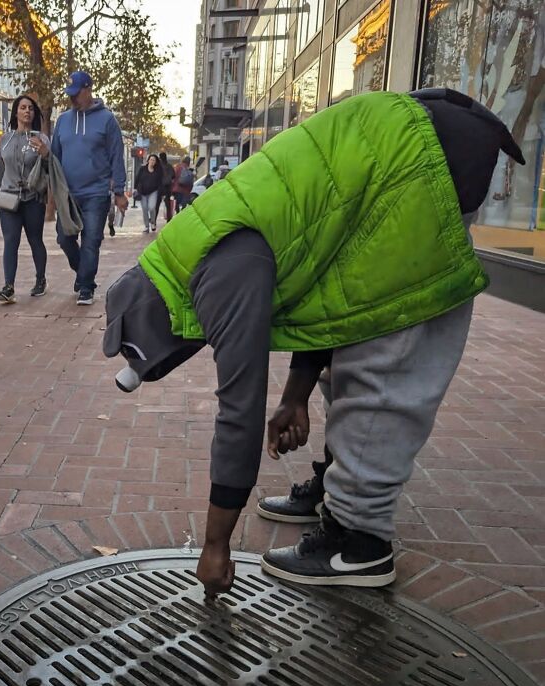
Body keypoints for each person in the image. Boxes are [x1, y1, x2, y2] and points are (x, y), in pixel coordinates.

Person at [102, 89, 525, 596]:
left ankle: (359, 540)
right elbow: (328, 292)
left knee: (382, 354)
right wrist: (295, 396)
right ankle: (338, 488)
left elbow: (238, 410)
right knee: (355, 324)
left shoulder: (219, 272)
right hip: (397, 152)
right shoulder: (189, 248)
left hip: (418, 166)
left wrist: (216, 545)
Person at [51, 70, 128, 306]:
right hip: (68, 195)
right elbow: (55, 156)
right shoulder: (63, 120)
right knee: (64, 239)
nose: (72, 99)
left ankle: (86, 286)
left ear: (88, 89)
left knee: (91, 240)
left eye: (76, 93)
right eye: (69, 94)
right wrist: (52, 192)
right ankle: (83, 272)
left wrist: (119, 192)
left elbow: (117, 156)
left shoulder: (107, 119)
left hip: (96, 192)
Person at [0, 94, 51, 304]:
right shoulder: (5, 139)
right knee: (10, 241)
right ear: (16, 112)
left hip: (33, 198)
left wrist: (44, 153)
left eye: (31, 108)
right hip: (8, 198)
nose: (27, 111)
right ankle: (9, 286)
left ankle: (40, 279)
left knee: (35, 240)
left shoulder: (41, 139)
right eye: (23, 108)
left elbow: (51, 168)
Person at [135, 154, 163, 234]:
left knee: (151, 207)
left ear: (156, 162)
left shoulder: (158, 171)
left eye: (154, 160)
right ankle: (146, 226)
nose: (152, 161)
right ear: (148, 160)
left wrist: (161, 193)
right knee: (144, 209)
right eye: (151, 159)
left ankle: (153, 222)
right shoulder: (142, 169)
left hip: (153, 192)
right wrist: (134, 188)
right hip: (142, 192)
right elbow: (137, 179)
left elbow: (160, 183)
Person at [155, 152, 175, 223]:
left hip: (160, 187)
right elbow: (173, 176)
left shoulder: (158, 166)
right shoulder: (169, 166)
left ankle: (153, 220)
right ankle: (169, 220)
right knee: (168, 205)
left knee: (157, 204)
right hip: (167, 187)